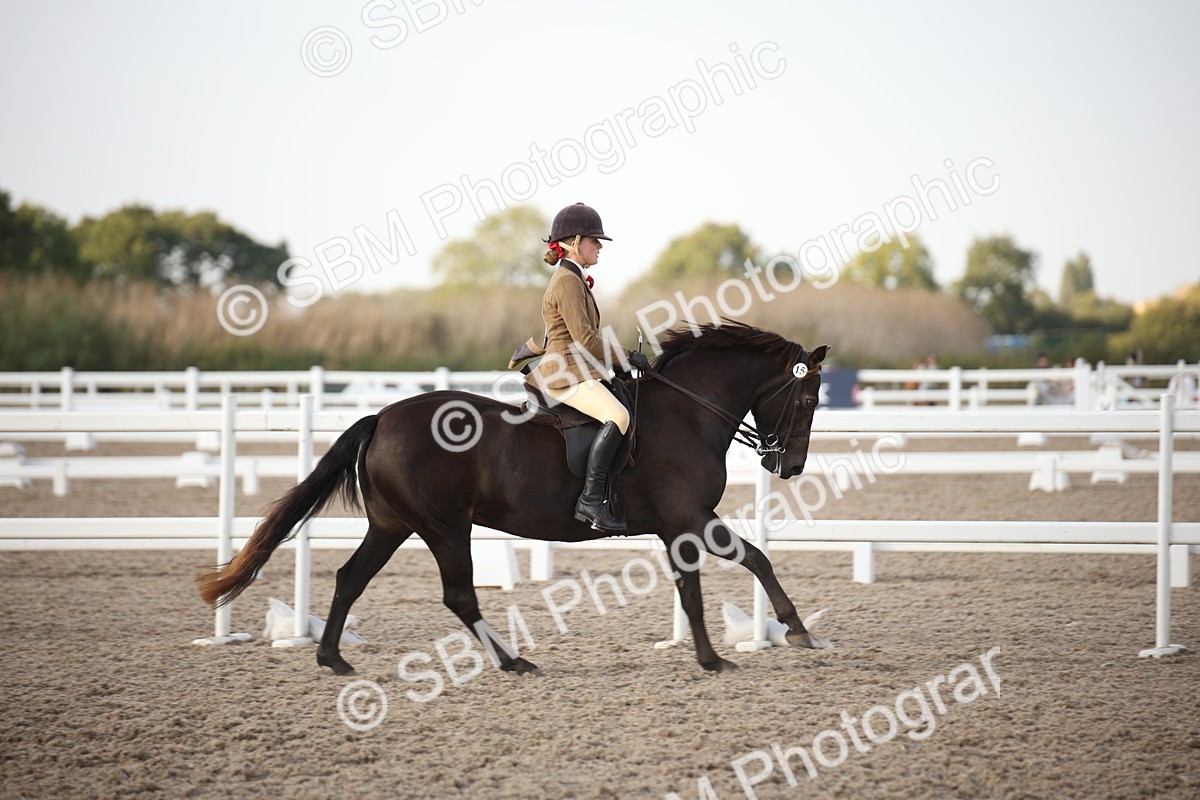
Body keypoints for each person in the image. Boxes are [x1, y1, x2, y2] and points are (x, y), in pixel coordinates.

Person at [525, 202, 651, 532]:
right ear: (575, 241)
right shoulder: (567, 282)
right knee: (619, 416)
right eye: (595, 241)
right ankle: (591, 500)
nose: (599, 248)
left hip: (576, 369)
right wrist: (626, 355)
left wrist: (613, 369)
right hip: (564, 375)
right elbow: (586, 340)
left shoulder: (574, 279)